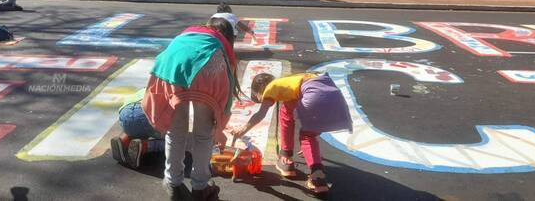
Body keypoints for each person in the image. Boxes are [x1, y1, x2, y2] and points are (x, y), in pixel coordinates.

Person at [141, 17, 238, 201]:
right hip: (209, 70)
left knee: (175, 131)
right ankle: (200, 188)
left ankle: (173, 185)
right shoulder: (222, 45)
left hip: (174, 66)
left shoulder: (189, 32)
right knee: (203, 135)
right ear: (229, 36)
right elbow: (228, 90)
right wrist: (220, 124)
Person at [231, 72, 353, 195]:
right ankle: (303, 159)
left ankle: (308, 171)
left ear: (259, 91)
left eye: (259, 98)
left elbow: (260, 115)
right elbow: (318, 108)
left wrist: (242, 130)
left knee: (306, 135)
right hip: (333, 95)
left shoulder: (271, 88)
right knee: (295, 115)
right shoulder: (290, 82)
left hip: (313, 95)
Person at [110, 88, 165, 169]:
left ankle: (123, 141)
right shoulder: (169, 90)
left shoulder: (146, 89)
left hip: (124, 114)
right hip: (144, 113)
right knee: (174, 142)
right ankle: (144, 146)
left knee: (135, 125)